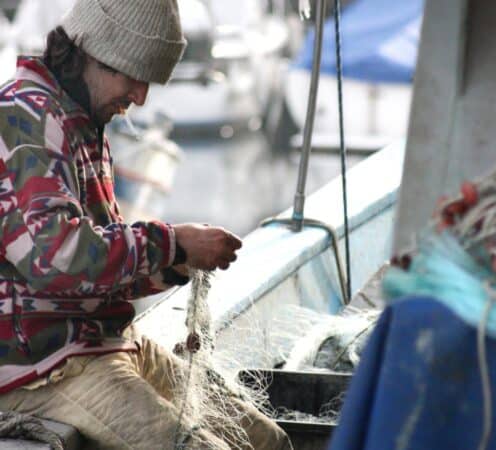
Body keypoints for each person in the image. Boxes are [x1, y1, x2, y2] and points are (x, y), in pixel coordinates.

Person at [0, 0, 291, 448]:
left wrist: (176, 265)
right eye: (133, 77)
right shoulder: (26, 114)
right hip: (41, 363)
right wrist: (172, 244)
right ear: (91, 54)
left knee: (266, 440)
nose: (140, 97)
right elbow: (56, 257)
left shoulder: (80, 119)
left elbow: (98, 269)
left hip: (101, 340)